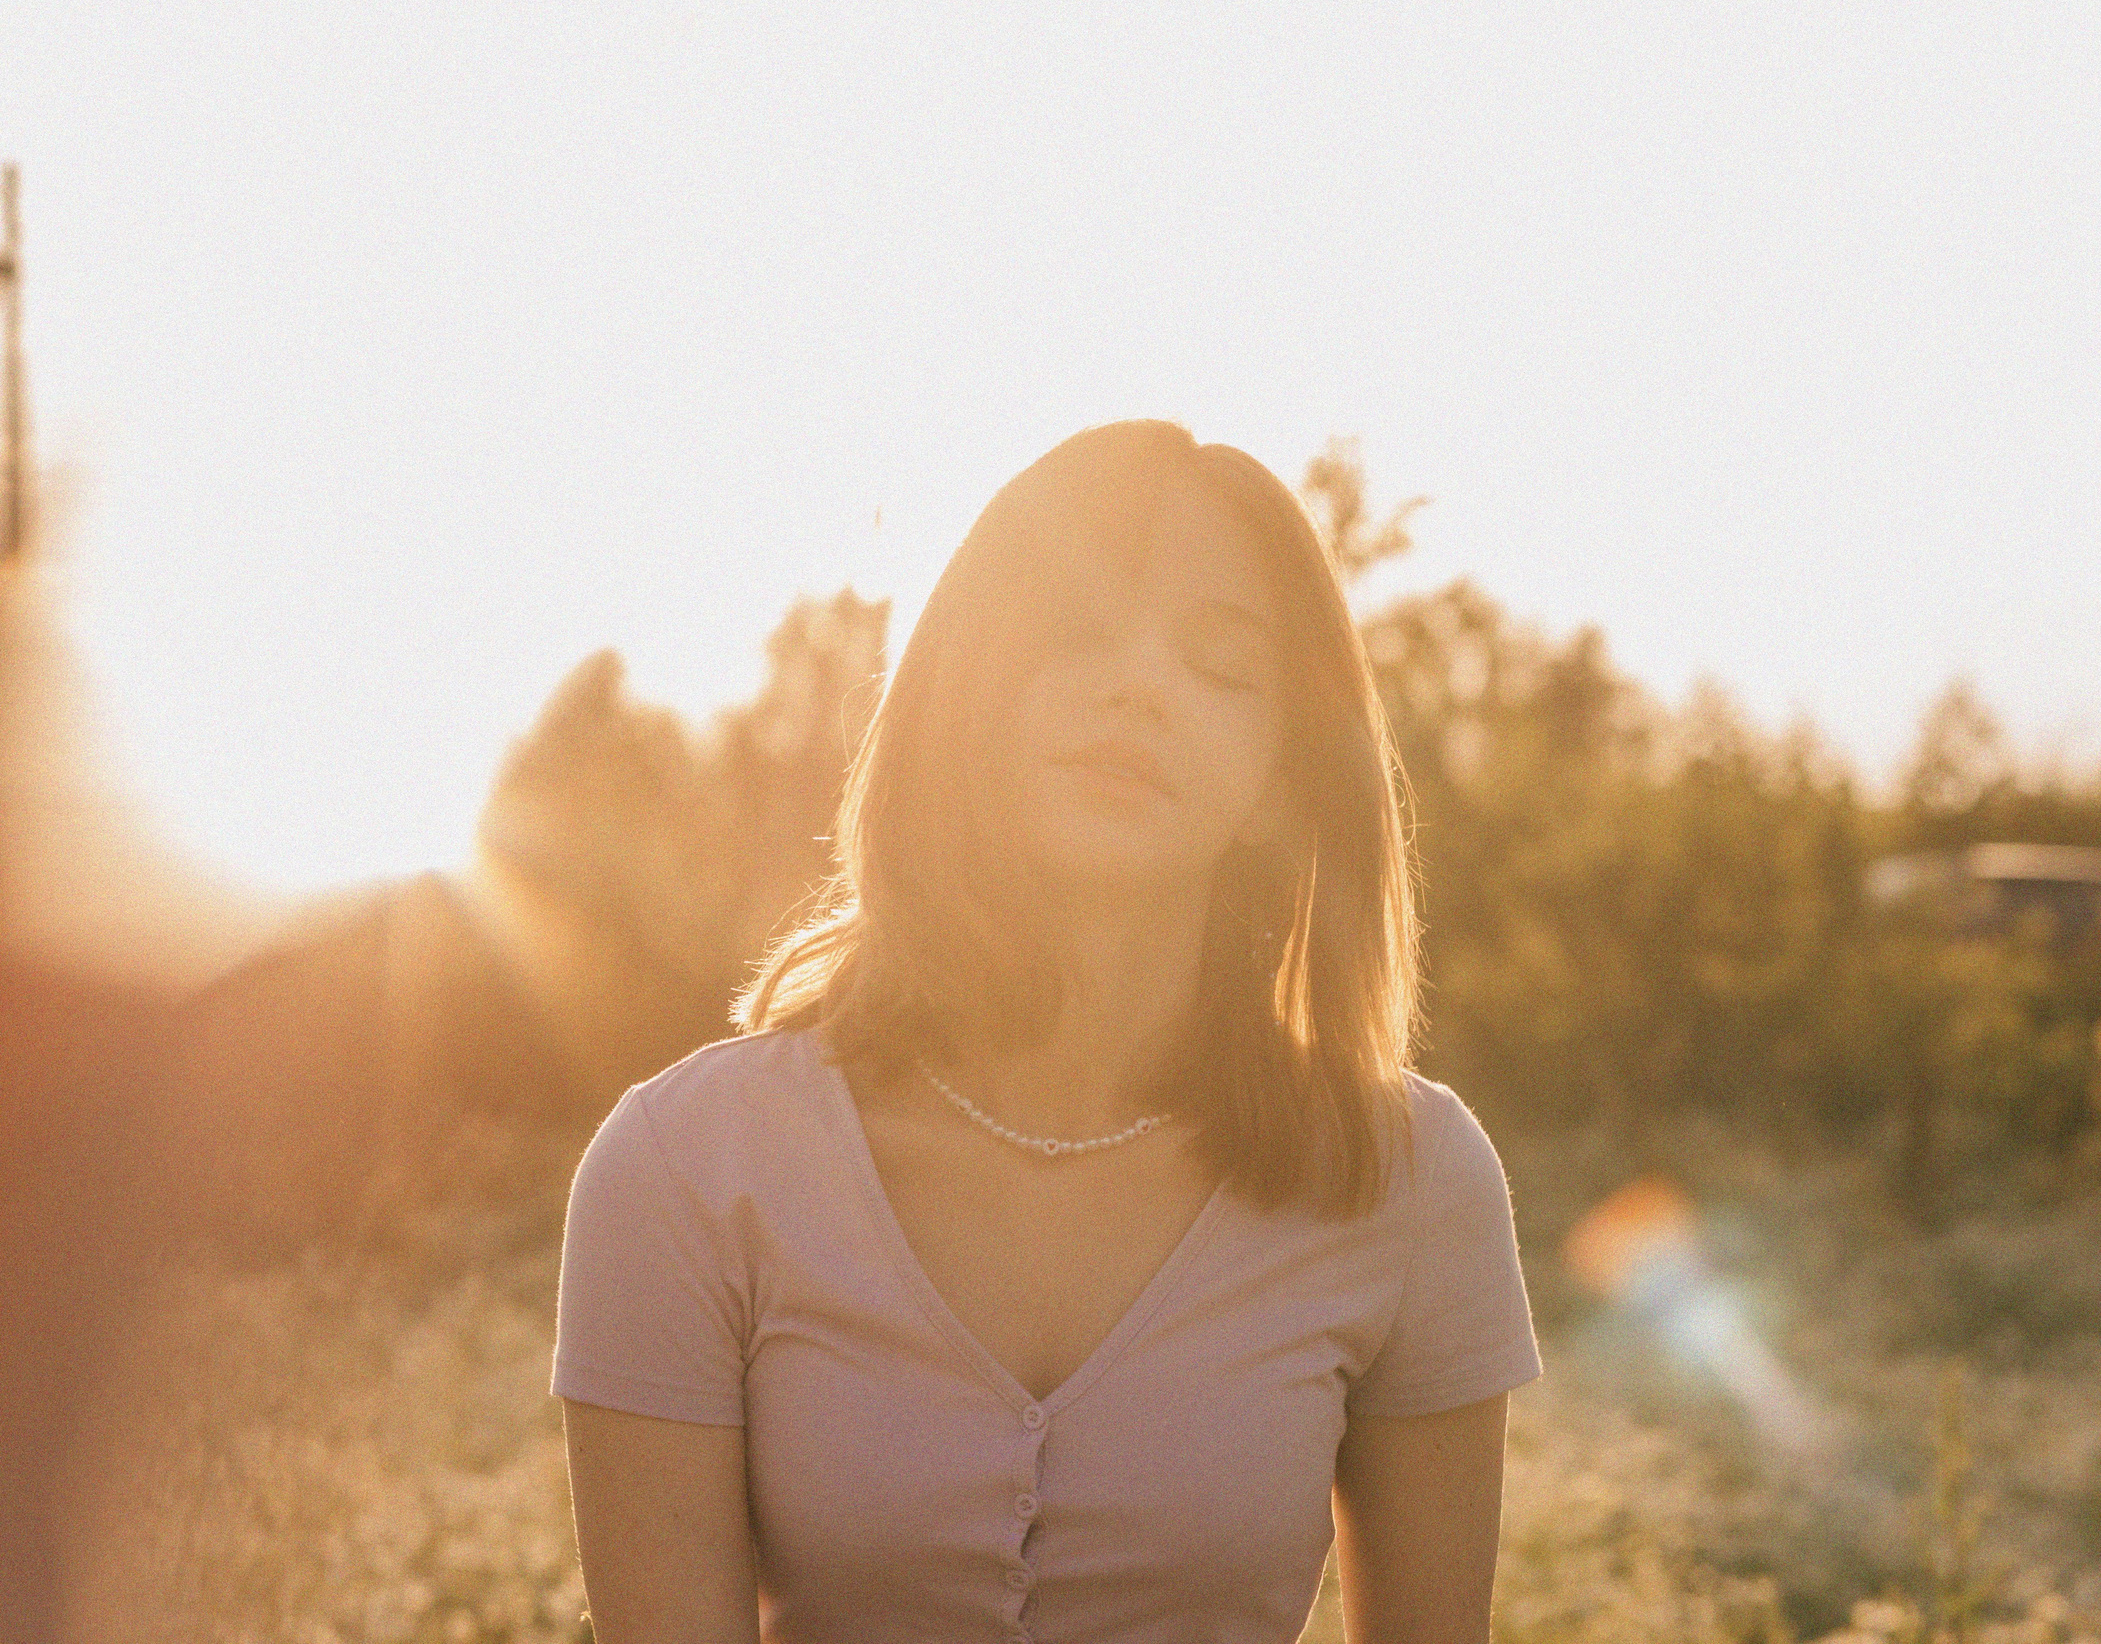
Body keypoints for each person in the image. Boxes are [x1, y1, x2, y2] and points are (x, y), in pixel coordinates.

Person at [552, 420, 1542, 1643]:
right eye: (1076, 631)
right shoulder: (684, 1166)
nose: (1138, 685)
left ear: (1279, 784)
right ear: (965, 696)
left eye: (1220, 667)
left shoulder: (1407, 1178)